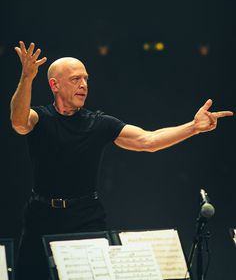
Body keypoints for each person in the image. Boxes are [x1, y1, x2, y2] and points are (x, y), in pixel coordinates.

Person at [10, 41, 233, 280]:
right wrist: (27, 77)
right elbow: (19, 122)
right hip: (41, 215)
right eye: (76, 79)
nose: (84, 85)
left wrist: (193, 127)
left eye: (86, 79)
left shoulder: (98, 123)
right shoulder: (41, 117)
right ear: (54, 84)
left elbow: (149, 140)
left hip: (85, 216)